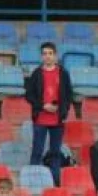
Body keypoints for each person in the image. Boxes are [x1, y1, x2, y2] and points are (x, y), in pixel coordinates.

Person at [26, 42, 74, 187]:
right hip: (40, 119)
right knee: (37, 151)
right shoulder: (36, 73)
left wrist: (60, 108)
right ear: (41, 56)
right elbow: (29, 95)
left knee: (55, 153)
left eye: (50, 53)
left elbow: (69, 95)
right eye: (44, 53)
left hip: (57, 120)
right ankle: (32, 181)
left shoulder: (63, 73)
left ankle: (55, 182)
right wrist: (43, 106)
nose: (47, 56)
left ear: (55, 55)